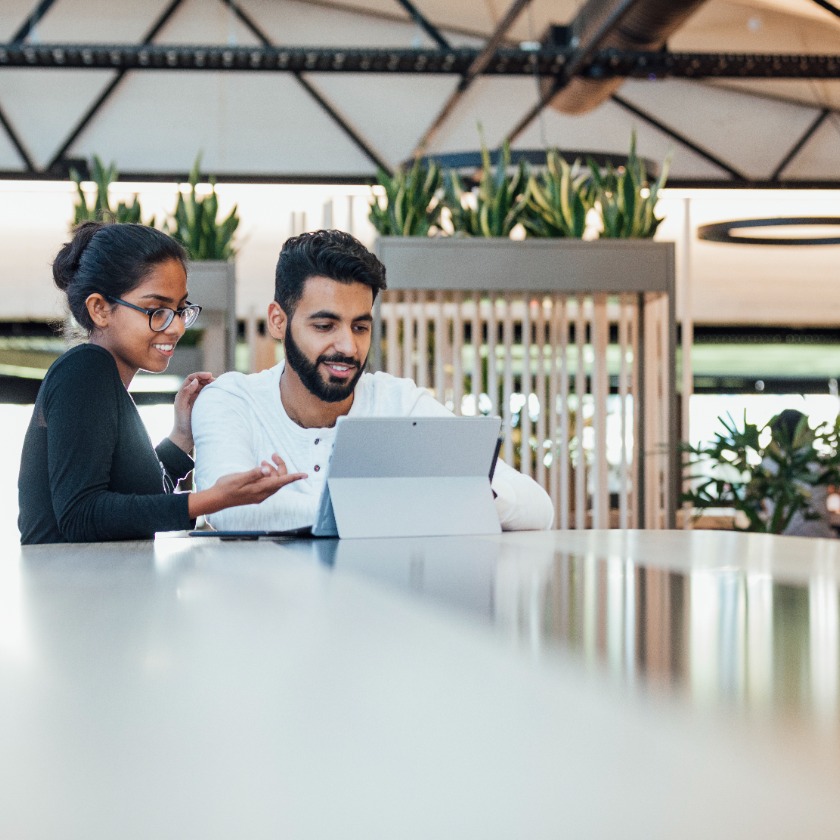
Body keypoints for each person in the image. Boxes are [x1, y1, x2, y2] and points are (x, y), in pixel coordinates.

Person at [192, 229, 554, 532]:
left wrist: (466, 493)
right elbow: (229, 512)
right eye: (324, 326)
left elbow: (538, 509)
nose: (348, 346)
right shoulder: (230, 399)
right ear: (278, 321)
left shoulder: (399, 403)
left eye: (360, 326)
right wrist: (414, 505)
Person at [18, 222, 305, 545]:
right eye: (156, 310)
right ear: (99, 309)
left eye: (180, 310)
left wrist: (181, 437)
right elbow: (82, 516)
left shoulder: (104, 383)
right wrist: (214, 499)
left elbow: (138, 502)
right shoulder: (86, 369)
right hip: (72, 589)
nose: (176, 328)